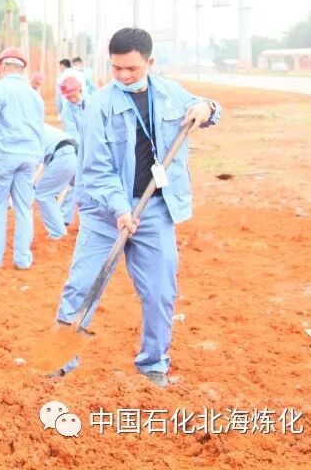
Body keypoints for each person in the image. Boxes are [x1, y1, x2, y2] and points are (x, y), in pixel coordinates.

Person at [52, 27, 220, 388]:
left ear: (150, 62)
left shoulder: (170, 94)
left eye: (132, 68)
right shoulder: (99, 106)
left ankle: (153, 363)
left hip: (155, 209)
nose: (124, 76)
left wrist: (206, 108)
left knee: (160, 291)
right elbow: (96, 170)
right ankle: (60, 359)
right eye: (117, 69)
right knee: (82, 286)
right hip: (104, 212)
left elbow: (206, 108)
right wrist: (120, 209)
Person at [0, 47, 45, 269]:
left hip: (4, 155)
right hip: (30, 157)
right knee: (24, 208)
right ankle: (22, 260)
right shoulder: (34, 94)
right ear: (22, 70)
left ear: (2, 67)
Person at [35, 123, 78, 240]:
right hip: (73, 151)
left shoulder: (24, 128)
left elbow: (30, 164)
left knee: (43, 194)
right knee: (83, 190)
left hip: (63, 154)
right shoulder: (34, 122)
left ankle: (58, 233)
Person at [58, 75, 87, 145]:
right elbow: (72, 133)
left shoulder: (92, 101)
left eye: (74, 96)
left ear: (79, 90)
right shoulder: (66, 111)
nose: (72, 100)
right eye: (68, 97)